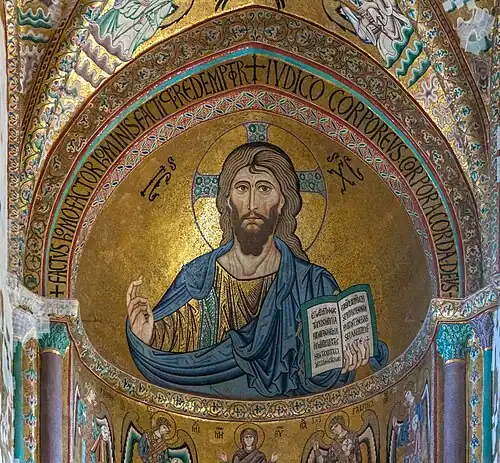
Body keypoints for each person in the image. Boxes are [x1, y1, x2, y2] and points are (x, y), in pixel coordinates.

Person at [127, 142, 388, 398]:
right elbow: (170, 356)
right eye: (242, 188)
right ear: (228, 200)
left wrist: (345, 363)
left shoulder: (312, 284)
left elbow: (313, 382)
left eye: (264, 188)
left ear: (282, 201)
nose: (252, 203)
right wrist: (146, 338)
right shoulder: (197, 279)